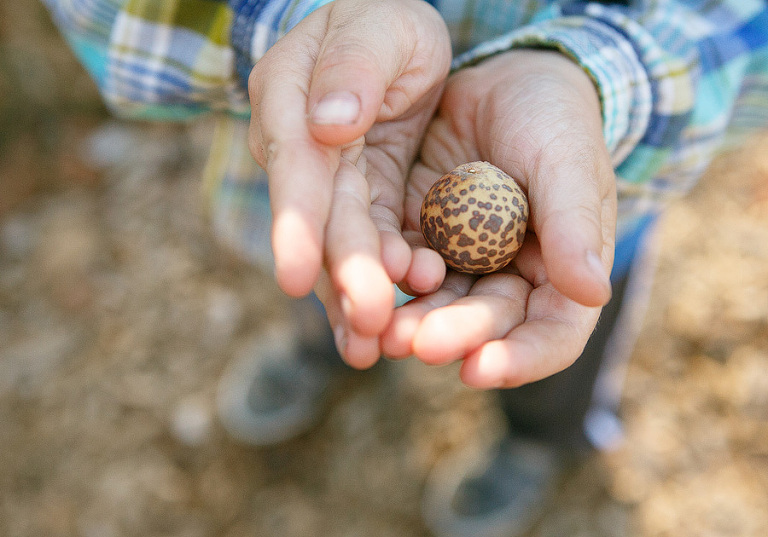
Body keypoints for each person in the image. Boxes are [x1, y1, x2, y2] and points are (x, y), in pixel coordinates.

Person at [43, 0, 768, 535]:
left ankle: (539, 441)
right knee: (332, 284)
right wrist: (302, 30)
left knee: (555, 357)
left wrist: (596, 68)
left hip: (586, 192)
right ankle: (319, 352)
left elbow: (741, 30)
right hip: (330, 179)